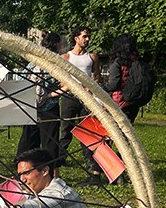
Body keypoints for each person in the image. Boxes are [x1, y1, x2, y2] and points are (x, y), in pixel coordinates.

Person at [59, 27, 102, 184]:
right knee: (66, 128)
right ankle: (60, 159)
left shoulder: (92, 57)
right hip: (69, 97)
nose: (87, 39)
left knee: (86, 130)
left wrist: (91, 86)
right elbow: (61, 79)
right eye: (84, 36)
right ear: (76, 38)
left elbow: (97, 76)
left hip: (87, 98)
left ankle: (91, 164)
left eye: (88, 36)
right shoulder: (65, 57)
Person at [16, 31, 63, 163]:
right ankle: (51, 172)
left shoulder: (34, 62)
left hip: (32, 105)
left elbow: (21, 79)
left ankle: (23, 169)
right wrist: (49, 95)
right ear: (58, 44)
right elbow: (67, 85)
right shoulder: (58, 63)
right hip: (50, 107)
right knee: (50, 142)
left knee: (28, 140)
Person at [102, 33, 142, 124]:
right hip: (134, 101)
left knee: (116, 133)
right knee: (128, 131)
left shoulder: (117, 63)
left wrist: (99, 87)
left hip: (119, 102)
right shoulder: (137, 61)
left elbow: (113, 85)